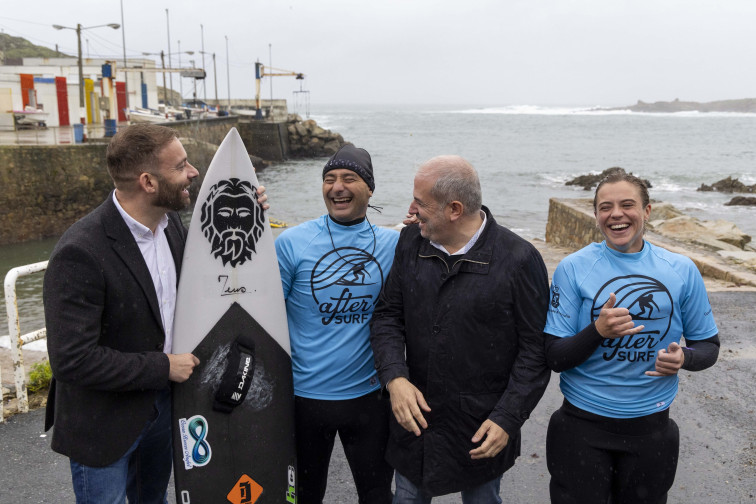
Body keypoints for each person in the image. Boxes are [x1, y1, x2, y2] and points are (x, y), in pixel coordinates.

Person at [43, 123, 267, 503]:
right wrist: (163, 367)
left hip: (161, 409)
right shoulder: (80, 251)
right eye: (181, 166)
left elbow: (214, 269)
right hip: (103, 423)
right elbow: (72, 360)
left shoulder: (171, 226)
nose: (193, 172)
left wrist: (248, 210)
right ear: (148, 182)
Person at [370, 155, 551, 503]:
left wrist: (508, 418)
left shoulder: (519, 259)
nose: (412, 209)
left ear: (454, 209)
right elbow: (387, 316)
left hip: (482, 425)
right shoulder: (411, 242)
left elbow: (535, 350)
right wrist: (394, 378)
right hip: (415, 420)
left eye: (420, 202)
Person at [543, 169, 720, 504]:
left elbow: (708, 346)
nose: (616, 214)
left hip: (651, 431)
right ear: (596, 215)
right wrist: (597, 331)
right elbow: (554, 355)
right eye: (605, 207)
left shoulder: (681, 270)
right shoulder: (573, 268)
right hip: (581, 427)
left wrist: (685, 358)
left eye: (627, 204)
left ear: (647, 211)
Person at [275, 144, 399, 503]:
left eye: (349, 178)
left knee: (377, 495)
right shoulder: (292, 243)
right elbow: (264, 314)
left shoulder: (394, 245)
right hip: (303, 400)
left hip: (369, 399)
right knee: (304, 496)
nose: (337, 187)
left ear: (370, 188)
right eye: (329, 179)